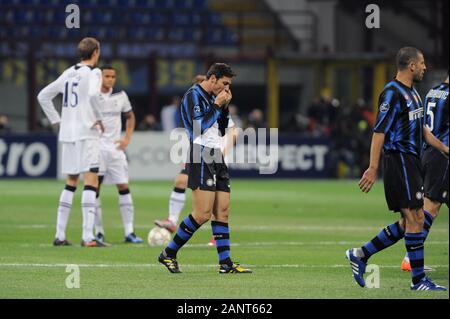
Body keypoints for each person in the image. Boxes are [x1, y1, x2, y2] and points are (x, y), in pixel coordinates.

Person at [346, 47, 448, 291]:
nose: (425, 67)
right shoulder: (392, 93)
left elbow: (423, 129)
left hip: (412, 161)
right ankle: (419, 280)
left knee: (410, 221)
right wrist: (372, 167)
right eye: (422, 63)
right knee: (415, 217)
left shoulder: (414, 93)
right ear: (411, 65)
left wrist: (444, 148)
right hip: (398, 160)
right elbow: (379, 131)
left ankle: (360, 254)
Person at [158, 63, 252, 274]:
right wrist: (218, 105)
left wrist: (224, 105)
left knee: (223, 212)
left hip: (216, 154)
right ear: (213, 79)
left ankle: (225, 264)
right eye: (225, 83)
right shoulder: (193, 95)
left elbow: (220, 129)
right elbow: (199, 129)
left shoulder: (217, 97)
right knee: (202, 214)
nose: (227, 88)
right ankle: (168, 253)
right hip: (200, 153)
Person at [37, 37, 106, 247]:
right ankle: (87, 237)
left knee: (71, 181)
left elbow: (43, 96)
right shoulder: (94, 72)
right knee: (91, 180)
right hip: (87, 132)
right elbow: (94, 94)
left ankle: (59, 235)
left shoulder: (68, 72)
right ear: (95, 53)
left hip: (68, 134)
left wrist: (57, 121)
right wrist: (99, 117)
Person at [401, 74, 449, 272]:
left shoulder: (432, 91)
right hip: (443, 154)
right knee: (432, 205)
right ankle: (410, 258)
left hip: (428, 151)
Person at [92, 65, 144, 244]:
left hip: (115, 149)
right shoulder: (92, 96)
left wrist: (127, 139)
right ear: (100, 77)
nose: (110, 79)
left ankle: (129, 232)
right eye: (107, 76)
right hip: (96, 148)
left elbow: (130, 116)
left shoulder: (120, 96)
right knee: (94, 189)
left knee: (123, 186)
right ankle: (98, 232)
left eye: (113, 76)